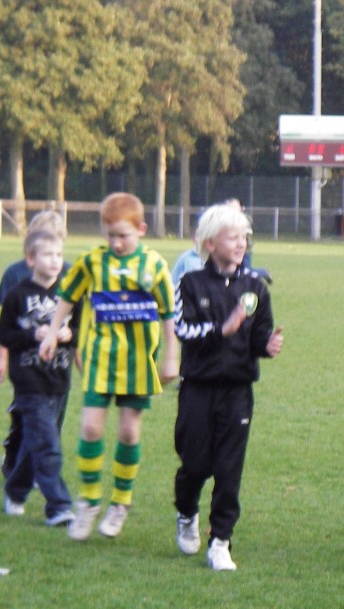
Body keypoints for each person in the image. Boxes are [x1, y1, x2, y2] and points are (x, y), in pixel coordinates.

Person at [38, 192, 178, 541]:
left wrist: (171, 356)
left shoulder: (154, 266)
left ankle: (120, 502)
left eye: (123, 235)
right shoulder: (92, 262)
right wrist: (53, 333)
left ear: (141, 229)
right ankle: (88, 501)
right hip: (99, 360)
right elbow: (67, 296)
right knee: (90, 428)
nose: (116, 242)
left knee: (129, 432)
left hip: (138, 364)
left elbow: (168, 313)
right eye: (110, 235)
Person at [172, 204, 284, 571]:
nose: (240, 244)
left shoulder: (254, 286)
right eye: (232, 237)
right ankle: (186, 511)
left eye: (243, 237)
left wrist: (267, 345)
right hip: (198, 388)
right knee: (194, 463)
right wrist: (223, 329)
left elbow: (259, 333)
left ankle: (221, 540)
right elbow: (183, 330)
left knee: (229, 467)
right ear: (210, 244)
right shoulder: (190, 284)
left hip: (237, 390)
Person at [0, 228, 80, 526]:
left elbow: (81, 331)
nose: (56, 260)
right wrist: (34, 334)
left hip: (58, 380)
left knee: (38, 443)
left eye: (59, 254)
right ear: (30, 259)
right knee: (48, 446)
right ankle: (59, 506)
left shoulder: (70, 295)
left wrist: (69, 335)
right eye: (47, 255)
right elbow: (3, 334)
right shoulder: (17, 295)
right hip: (29, 382)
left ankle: (15, 491)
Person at [0, 210, 69, 478]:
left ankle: (39, 466)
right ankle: (15, 456)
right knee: (27, 413)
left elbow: (77, 319)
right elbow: (7, 324)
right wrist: (1, 359)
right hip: (24, 361)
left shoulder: (70, 273)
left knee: (54, 415)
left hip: (59, 363)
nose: (53, 258)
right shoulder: (14, 274)